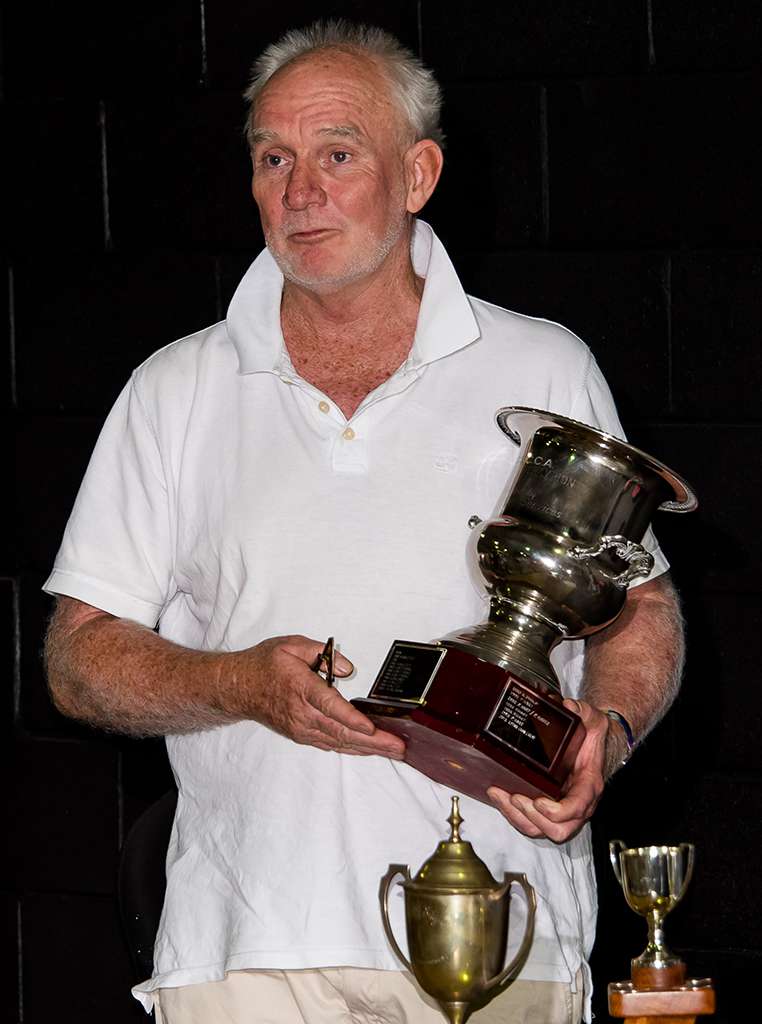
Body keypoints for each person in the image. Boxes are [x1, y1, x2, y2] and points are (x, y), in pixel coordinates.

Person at [43, 20, 684, 1024]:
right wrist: (239, 684)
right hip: (248, 948)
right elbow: (78, 658)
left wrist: (609, 732)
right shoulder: (174, 389)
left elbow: (639, 608)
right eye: (274, 159)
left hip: (504, 933)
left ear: (417, 175)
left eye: (337, 155)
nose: (300, 191)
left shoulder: (543, 367)